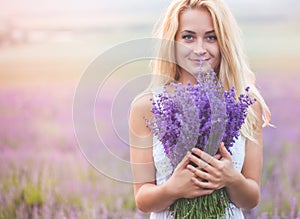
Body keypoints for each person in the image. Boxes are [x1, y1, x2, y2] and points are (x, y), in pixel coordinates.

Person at [129, 0, 271, 218]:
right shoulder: (146, 107)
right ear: (172, 42)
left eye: (211, 37)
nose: (199, 49)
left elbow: (251, 198)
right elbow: (143, 198)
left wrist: (231, 179)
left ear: (224, 42)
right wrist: (172, 189)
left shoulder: (246, 105)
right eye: (188, 37)